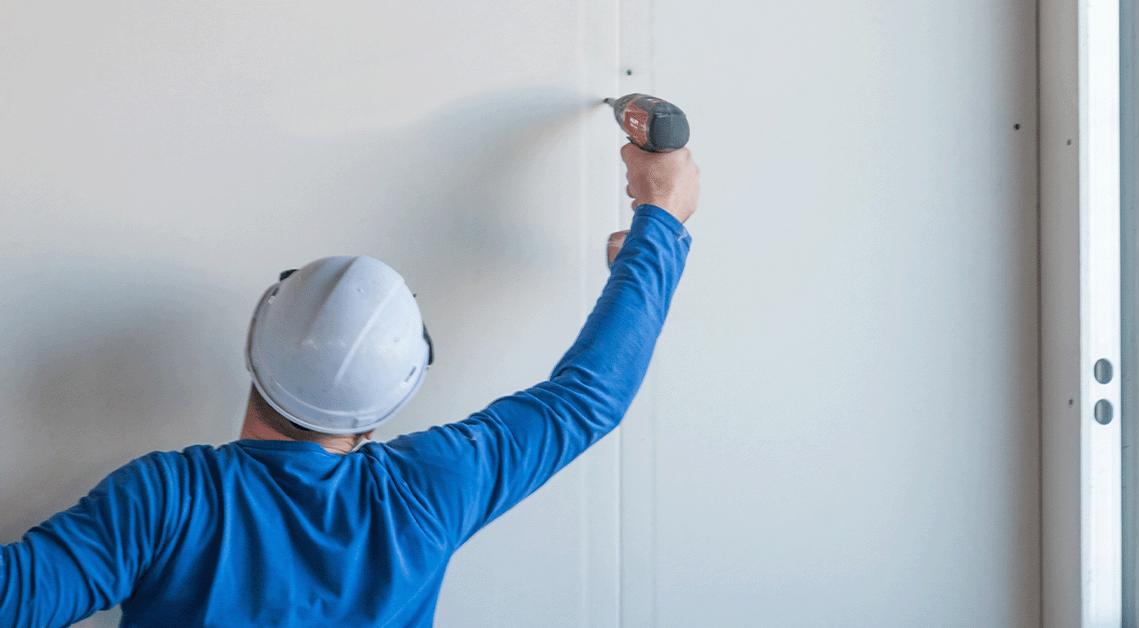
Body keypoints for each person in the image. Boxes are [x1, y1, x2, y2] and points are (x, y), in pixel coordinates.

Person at [0, 142, 699, 627]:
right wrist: (657, 222)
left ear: (254, 347)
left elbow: (15, 598)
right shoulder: (430, 490)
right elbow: (587, 399)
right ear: (393, 397)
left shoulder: (163, 501)